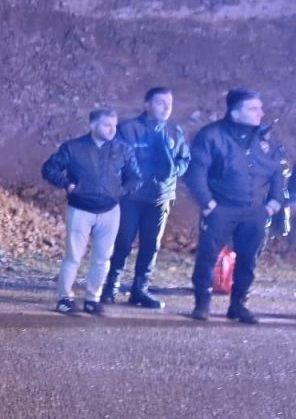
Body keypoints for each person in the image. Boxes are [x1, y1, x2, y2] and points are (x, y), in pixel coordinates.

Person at [185, 89, 288, 324]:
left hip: (255, 210)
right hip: (221, 208)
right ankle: (202, 303)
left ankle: (238, 304)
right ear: (235, 112)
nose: (260, 113)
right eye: (253, 109)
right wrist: (208, 203)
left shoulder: (264, 139)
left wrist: (274, 201)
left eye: (260, 108)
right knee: (208, 257)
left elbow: (277, 170)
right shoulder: (212, 135)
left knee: (248, 259)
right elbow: (196, 172)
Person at [41, 108, 141, 316]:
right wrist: (68, 185)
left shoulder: (123, 149)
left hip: (110, 210)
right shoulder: (73, 148)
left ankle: (92, 299)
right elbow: (49, 168)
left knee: (103, 258)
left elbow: (135, 177)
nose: (112, 129)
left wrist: (120, 191)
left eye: (114, 125)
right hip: (80, 208)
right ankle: (64, 299)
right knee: (73, 256)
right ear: (93, 125)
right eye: (107, 125)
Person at [101, 87, 191, 309]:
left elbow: (185, 159)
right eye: (161, 102)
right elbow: (113, 158)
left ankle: (140, 290)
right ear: (147, 105)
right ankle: (111, 286)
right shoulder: (128, 130)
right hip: (131, 198)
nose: (166, 107)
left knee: (151, 245)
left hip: (160, 197)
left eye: (169, 103)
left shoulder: (173, 131)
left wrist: (173, 170)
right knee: (123, 242)